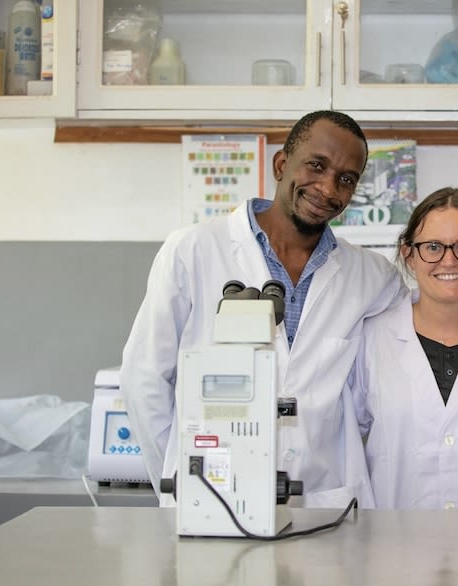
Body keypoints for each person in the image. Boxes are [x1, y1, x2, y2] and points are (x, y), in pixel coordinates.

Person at [121, 110, 407, 508]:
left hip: (323, 500)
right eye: (316, 165)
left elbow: (376, 390)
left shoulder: (375, 278)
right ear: (281, 164)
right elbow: (144, 378)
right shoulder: (193, 251)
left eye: (346, 179)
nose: (327, 189)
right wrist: (178, 483)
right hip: (213, 493)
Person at [346, 187, 458, 509]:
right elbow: (342, 442)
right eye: (433, 247)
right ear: (409, 255)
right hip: (394, 543)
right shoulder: (370, 339)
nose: (449, 260)